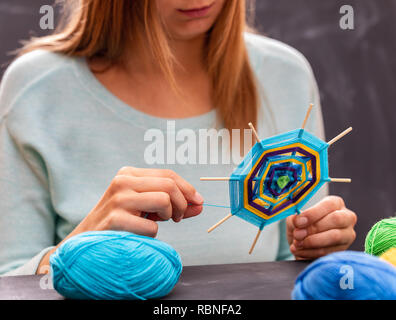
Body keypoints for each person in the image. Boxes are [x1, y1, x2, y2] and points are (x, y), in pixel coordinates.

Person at [0, 0, 357, 276]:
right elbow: (9, 281)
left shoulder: (285, 75)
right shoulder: (36, 88)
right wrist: (78, 247)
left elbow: (290, 264)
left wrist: (317, 251)